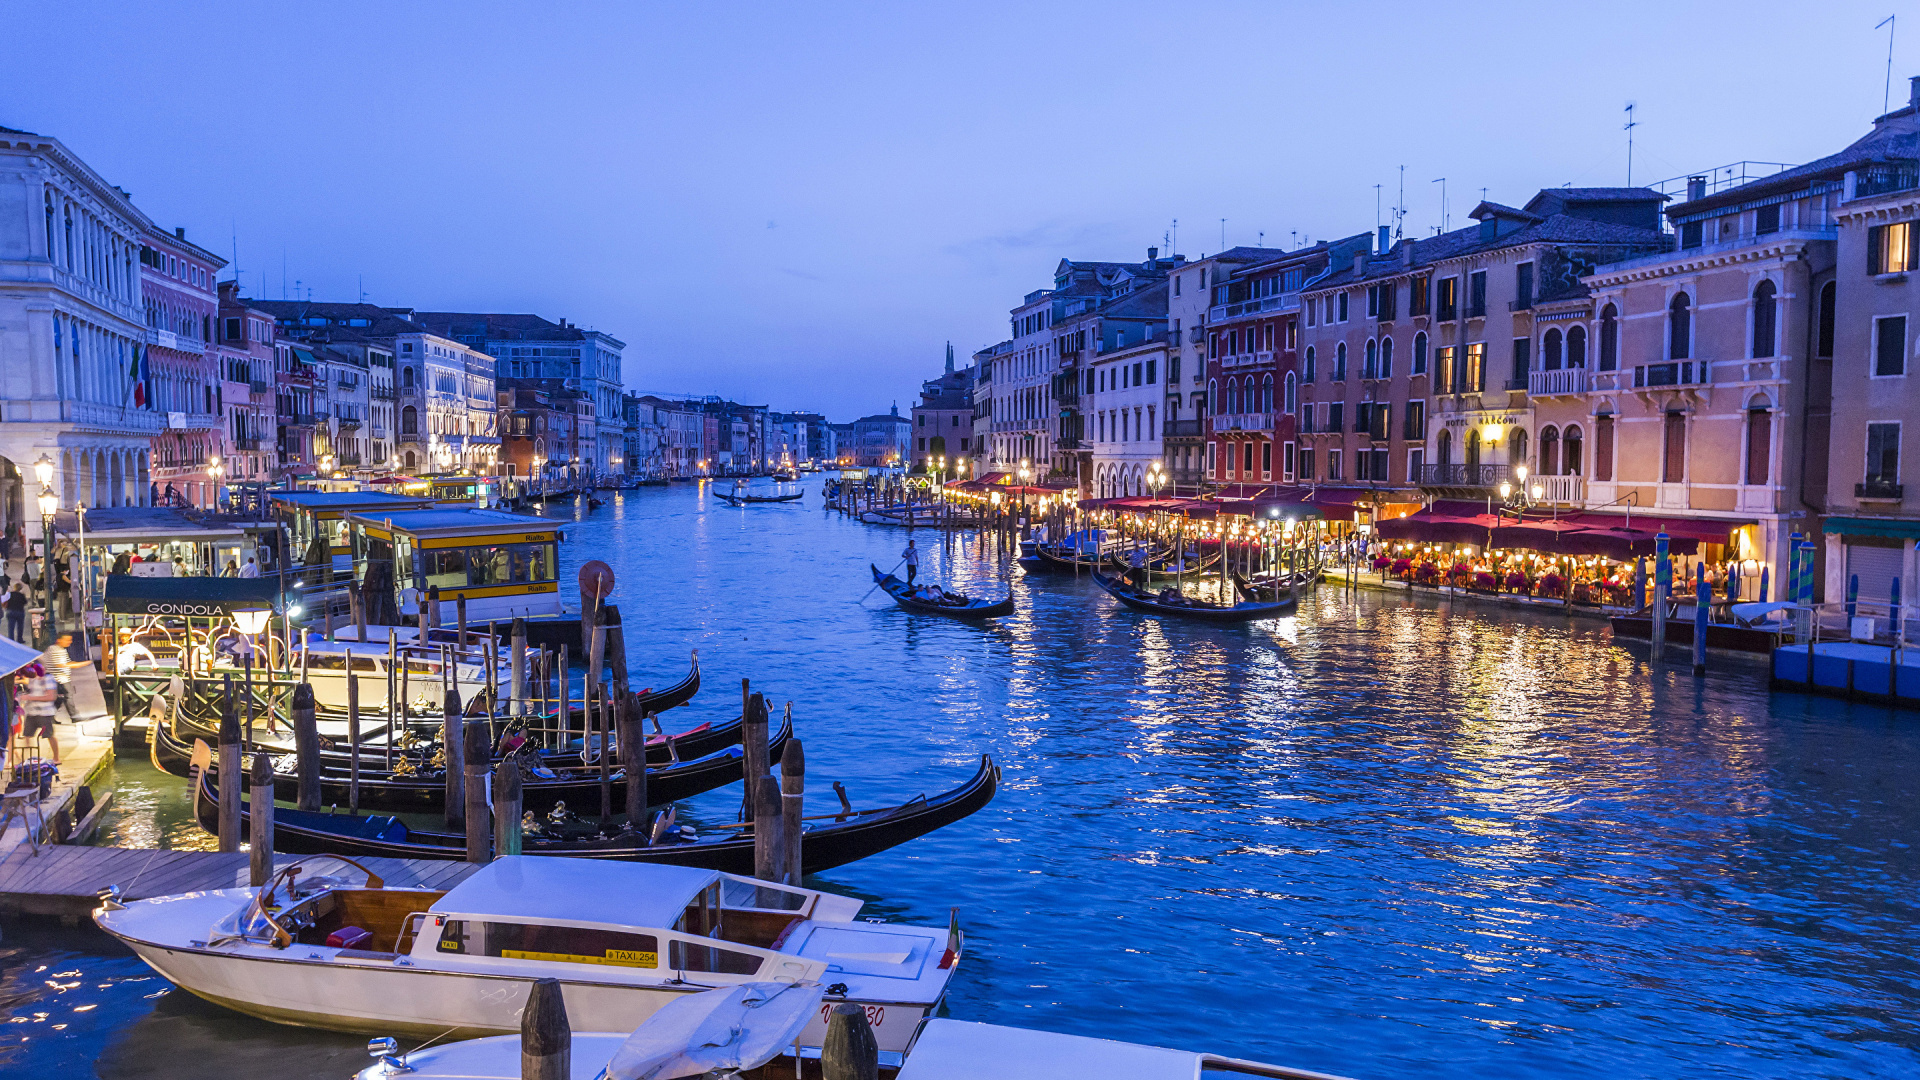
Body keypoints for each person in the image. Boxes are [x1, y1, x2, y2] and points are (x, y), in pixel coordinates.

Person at [18, 662, 59, 765]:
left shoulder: (48, 678)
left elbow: (51, 696)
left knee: (49, 735)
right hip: (31, 712)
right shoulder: (32, 679)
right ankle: (28, 758)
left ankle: (56, 758)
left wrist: (30, 697)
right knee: (27, 735)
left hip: (45, 713)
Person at [42, 632, 78, 723]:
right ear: (59, 640)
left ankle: (50, 718)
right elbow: (61, 664)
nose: (70, 642)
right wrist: (81, 664)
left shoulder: (60, 650)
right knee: (67, 697)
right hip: (59, 679)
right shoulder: (55, 650)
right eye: (67, 640)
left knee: (59, 699)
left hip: (60, 678)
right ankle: (74, 717)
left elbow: (66, 663)